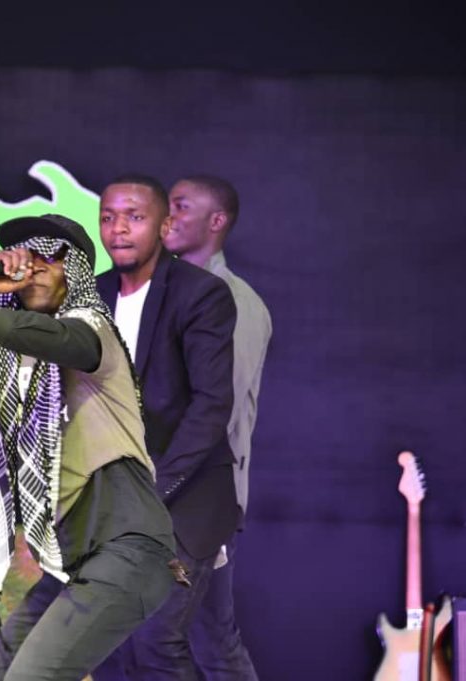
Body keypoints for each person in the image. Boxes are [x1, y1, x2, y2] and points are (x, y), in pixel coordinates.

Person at [0, 214, 182, 681]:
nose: (37, 265)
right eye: (29, 255)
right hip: (74, 564)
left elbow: (62, 340)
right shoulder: (16, 368)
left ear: (78, 272)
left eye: (53, 255)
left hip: (127, 549)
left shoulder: (94, 331)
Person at [91, 175, 239, 681]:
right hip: (110, 503)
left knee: (156, 641)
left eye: (134, 217)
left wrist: (154, 488)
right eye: (108, 217)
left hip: (183, 498)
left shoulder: (201, 294)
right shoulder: (90, 297)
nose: (118, 228)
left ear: (165, 225)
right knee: (105, 646)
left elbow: (212, 404)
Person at [166, 175, 271, 680]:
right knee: (208, 639)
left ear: (217, 221)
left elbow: (218, 407)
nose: (167, 216)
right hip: (161, 492)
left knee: (183, 639)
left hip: (200, 496)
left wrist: (171, 481)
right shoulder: (159, 291)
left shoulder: (234, 301)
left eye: (181, 206)